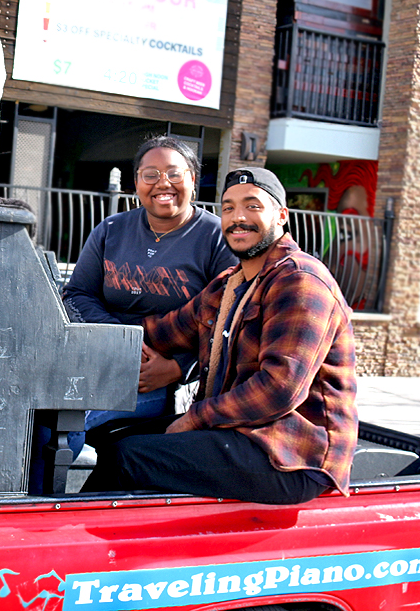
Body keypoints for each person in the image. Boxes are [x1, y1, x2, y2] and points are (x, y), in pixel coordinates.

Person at [82, 167, 358, 504]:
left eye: (252, 206)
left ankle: (72, 534)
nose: (238, 217)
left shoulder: (301, 281)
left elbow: (279, 390)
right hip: (240, 430)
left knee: (128, 456)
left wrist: (195, 418)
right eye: (228, 208)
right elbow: (163, 331)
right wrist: (94, 340)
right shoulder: (229, 284)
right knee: (110, 435)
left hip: (294, 453)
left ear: (281, 216)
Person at [29, 135, 236, 494]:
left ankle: (45, 506)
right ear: (136, 181)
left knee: (69, 417)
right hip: (99, 358)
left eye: (174, 173)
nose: (162, 183)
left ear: (193, 179)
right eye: (150, 174)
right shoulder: (111, 230)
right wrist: (121, 340)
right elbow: (77, 293)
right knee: (39, 412)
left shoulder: (217, 238)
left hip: (161, 379)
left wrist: (179, 367)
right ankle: (29, 503)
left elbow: (227, 319)